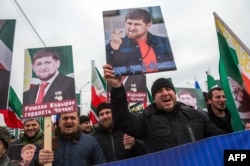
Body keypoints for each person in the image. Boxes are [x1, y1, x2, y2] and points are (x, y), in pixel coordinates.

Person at [103, 64, 225, 154]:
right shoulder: (145, 120)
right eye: (160, 91)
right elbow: (122, 121)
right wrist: (117, 88)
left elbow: (223, 141)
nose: (165, 93)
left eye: (168, 89)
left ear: (174, 94)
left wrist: (244, 136)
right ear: (154, 99)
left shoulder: (196, 115)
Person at [106, 8, 175, 75]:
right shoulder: (114, 45)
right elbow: (111, 74)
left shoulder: (165, 42)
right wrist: (113, 50)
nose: (132, 28)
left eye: (137, 24)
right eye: (129, 23)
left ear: (148, 25)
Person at [38, 111, 106, 166]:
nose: (69, 121)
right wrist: (38, 162)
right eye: (65, 118)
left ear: (78, 121)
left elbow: (101, 163)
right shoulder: (47, 142)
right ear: (59, 122)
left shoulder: (91, 141)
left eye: (73, 118)